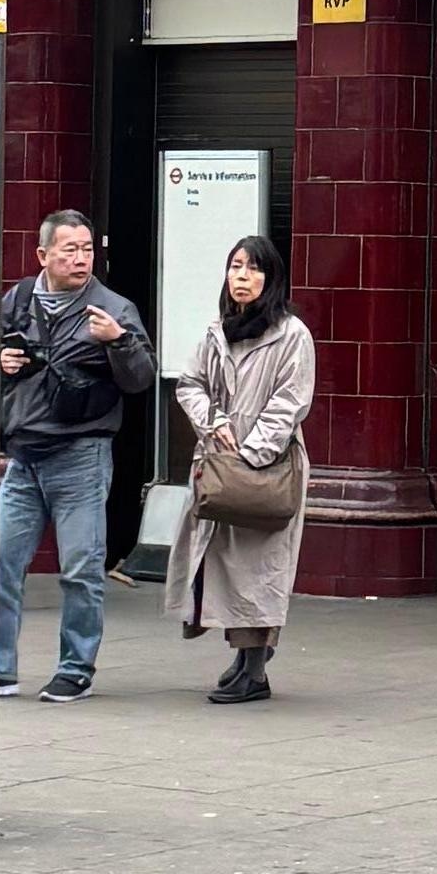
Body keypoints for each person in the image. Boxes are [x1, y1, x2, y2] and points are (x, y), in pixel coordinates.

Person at [0, 206, 152, 703]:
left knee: (81, 567)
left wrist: (118, 342)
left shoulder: (112, 308)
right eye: (70, 250)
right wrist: (0, 361)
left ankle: (75, 668)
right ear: (43, 254)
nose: (81, 259)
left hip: (81, 453)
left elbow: (141, 378)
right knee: (0, 565)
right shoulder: (16, 300)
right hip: (23, 456)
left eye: (87, 249)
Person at [167, 232, 316, 706]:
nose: (242, 277)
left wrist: (249, 455)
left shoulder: (292, 335)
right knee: (225, 564)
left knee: (260, 567)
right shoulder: (217, 332)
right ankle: (243, 658)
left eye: (253, 269)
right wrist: (213, 422)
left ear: (270, 279)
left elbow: (289, 403)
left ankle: (255, 669)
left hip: (266, 468)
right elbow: (190, 384)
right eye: (235, 267)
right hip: (220, 464)